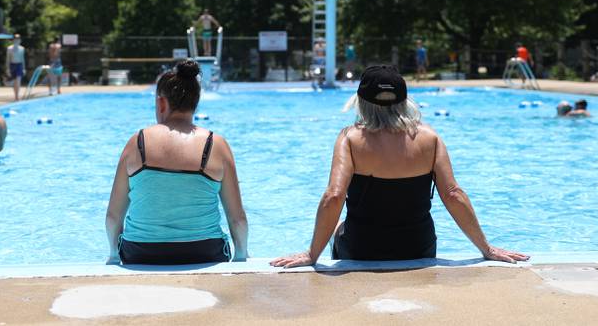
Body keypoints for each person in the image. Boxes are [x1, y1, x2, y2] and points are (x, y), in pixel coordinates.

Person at [271, 65, 528, 267]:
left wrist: (311, 255)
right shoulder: (430, 138)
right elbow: (453, 195)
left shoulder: (350, 138)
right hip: (418, 247)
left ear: (361, 100)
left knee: (339, 228)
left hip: (362, 250)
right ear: (404, 100)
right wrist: (487, 249)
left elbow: (333, 196)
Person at [106, 60, 248, 265]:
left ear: (161, 103)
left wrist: (113, 254)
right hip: (205, 251)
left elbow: (112, 217)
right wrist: (242, 256)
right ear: (195, 102)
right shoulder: (216, 144)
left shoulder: (137, 142)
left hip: (140, 253)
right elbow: (238, 219)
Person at [6, 34, 26, 101]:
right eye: (15, 39)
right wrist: (8, 69)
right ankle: (16, 96)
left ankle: (17, 96)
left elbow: (22, 59)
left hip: (19, 65)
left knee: (18, 81)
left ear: (20, 40)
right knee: (14, 82)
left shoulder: (22, 48)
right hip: (12, 65)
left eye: (18, 39)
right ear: (13, 40)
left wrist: (24, 68)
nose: (17, 40)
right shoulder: (9, 48)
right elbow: (8, 59)